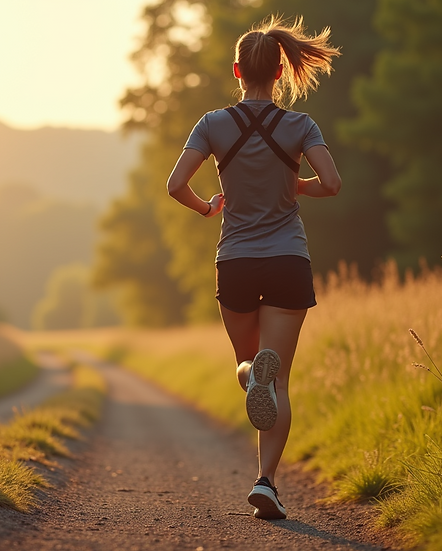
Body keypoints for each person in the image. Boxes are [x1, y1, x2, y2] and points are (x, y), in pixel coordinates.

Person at [166, 16, 342, 520]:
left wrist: (208, 207)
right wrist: (296, 186)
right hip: (289, 259)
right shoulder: (300, 125)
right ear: (281, 70)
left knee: (250, 370)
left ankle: (250, 374)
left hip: (236, 261)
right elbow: (331, 184)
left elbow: (175, 185)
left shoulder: (212, 124)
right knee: (279, 380)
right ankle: (265, 482)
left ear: (238, 70)